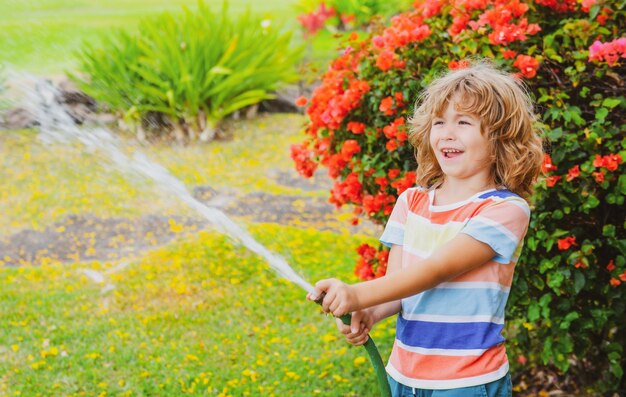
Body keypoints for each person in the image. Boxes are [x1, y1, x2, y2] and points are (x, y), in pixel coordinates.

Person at [308, 61, 544, 396]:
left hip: (467, 381)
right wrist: (369, 311)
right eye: (438, 122)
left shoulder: (504, 209)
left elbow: (436, 269)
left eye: (463, 122)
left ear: (500, 139)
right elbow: (400, 286)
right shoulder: (411, 203)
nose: (447, 132)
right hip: (404, 376)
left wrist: (357, 293)